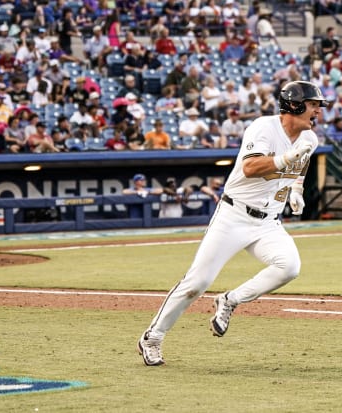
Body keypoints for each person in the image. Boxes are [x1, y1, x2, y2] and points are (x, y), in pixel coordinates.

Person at [137, 81, 326, 366]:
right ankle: (153, 337)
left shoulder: (309, 138)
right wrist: (285, 158)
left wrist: (297, 188)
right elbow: (251, 168)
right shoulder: (264, 127)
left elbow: (303, 162)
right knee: (197, 282)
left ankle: (230, 300)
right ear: (295, 105)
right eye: (313, 105)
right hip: (234, 215)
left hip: (269, 221)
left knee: (289, 267)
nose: (317, 112)